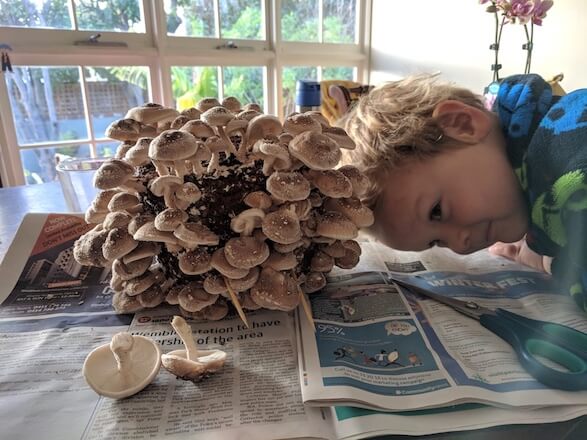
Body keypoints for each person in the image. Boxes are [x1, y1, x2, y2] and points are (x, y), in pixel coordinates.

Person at [341, 73, 587, 311]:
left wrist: (555, 263)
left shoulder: (572, 158)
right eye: (437, 242)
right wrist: (544, 251)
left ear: (463, 124)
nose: (460, 244)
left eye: (437, 211)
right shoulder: (529, 167)